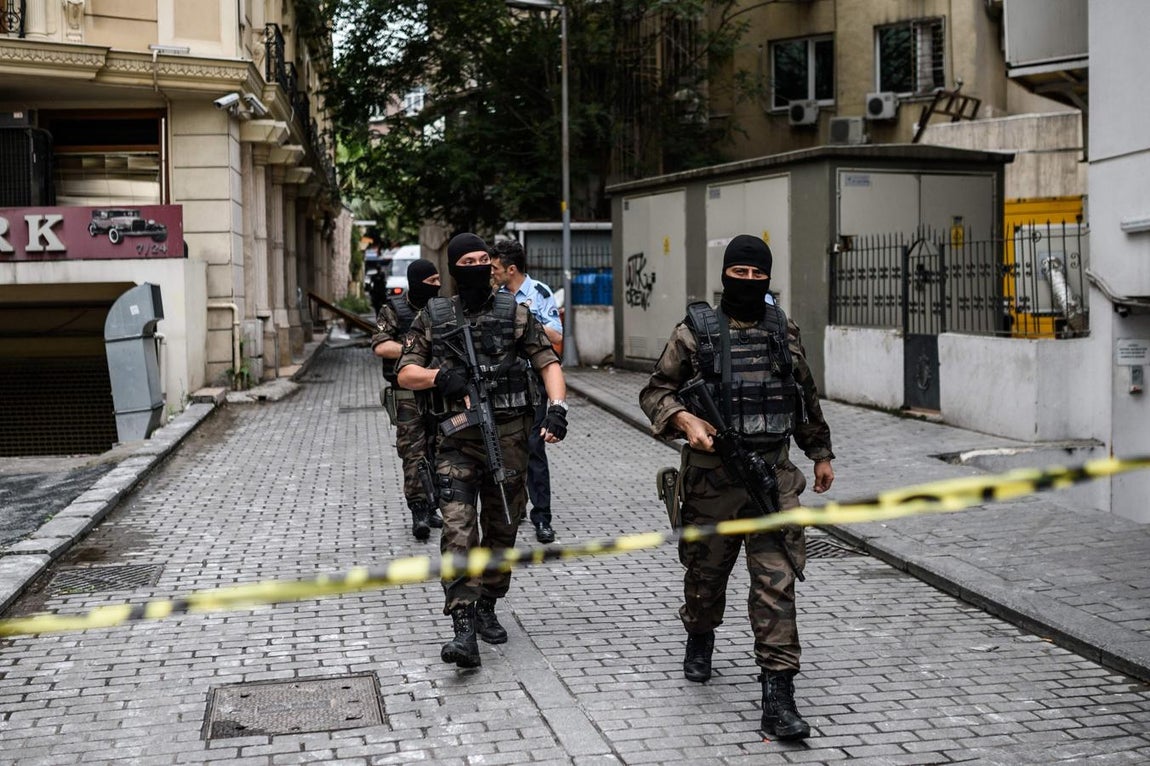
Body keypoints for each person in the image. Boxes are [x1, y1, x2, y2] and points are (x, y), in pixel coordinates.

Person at [638, 235, 835, 741]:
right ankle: (699, 633)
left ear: (768, 278)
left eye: (757, 275)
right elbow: (654, 390)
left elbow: (803, 393)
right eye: (739, 273)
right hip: (711, 482)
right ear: (725, 274)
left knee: (777, 583)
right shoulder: (694, 333)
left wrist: (820, 453)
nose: (747, 282)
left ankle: (778, 694)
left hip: (772, 477)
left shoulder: (781, 329)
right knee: (706, 577)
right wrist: (683, 418)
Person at [397, 232, 570, 669]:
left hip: (509, 442)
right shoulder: (434, 315)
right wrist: (439, 379)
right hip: (455, 444)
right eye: (467, 261)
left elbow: (548, 362)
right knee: (457, 530)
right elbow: (405, 372)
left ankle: (489, 603)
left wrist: (558, 408)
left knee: (502, 531)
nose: (476, 267)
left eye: (482, 260)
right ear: (454, 269)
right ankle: (463, 626)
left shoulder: (514, 313)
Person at [490, 239, 563, 544]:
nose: (490, 273)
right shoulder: (491, 295)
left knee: (534, 446)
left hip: (533, 382)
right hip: (501, 383)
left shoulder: (539, 294)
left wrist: (525, 317)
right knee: (505, 446)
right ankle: (515, 506)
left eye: (495, 268)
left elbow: (557, 336)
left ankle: (542, 517)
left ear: (511, 269)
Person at [371, 257, 444, 541]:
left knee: (438, 448)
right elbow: (381, 345)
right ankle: (418, 512)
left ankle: (433, 503)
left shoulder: (441, 308)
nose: (437, 287)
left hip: (437, 391)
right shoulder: (394, 309)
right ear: (417, 283)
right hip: (407, 395)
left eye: (439, 281)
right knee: (413, 453)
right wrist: (414, 350)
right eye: (432, 282)